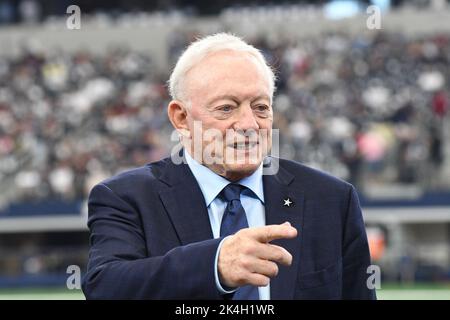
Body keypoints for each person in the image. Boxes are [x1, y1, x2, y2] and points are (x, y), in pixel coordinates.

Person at [82, 33, 376, 300]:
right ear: (181, 118)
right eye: (226, 108)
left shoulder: (331, 200)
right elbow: (105, 287)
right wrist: (215, 265)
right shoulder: (126, 198)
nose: (249, 124)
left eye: (261, 107)